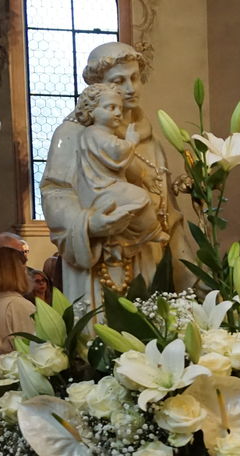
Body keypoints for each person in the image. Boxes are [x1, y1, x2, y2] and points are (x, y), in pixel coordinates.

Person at [41, 42, 191, 310]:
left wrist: (190, 275)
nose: (131, 88)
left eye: (135, 78)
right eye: (119, 81)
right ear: (97, 86)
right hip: (97, 266)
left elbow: (169, 214)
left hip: (148, 260)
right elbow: (56, 192)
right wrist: (90, 224)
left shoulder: (148, 140)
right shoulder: (72, 134)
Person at [72, 82, 167, 266]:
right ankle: (149, 233)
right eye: (111, 108)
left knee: (142, 201)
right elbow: (116, 153)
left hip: (109, 186)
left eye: (120, 109)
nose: (117, 113)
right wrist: (131, 142)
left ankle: (126, 240)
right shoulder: (94, 133)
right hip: (99, 189)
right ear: (92, 111)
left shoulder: (105, 135)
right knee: (140, 197)